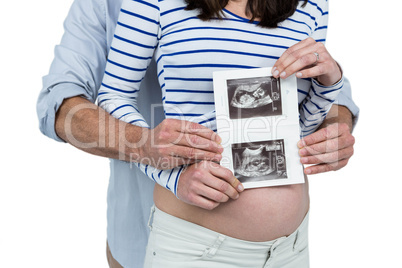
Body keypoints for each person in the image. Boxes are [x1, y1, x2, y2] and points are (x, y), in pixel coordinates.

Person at [36, 0, 359, 267]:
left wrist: (333, 84)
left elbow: (296, 121)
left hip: (291, 249)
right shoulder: (150, 4)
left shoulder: (312, 5)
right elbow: (67, 104)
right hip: (192, 245)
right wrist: (156, 158)